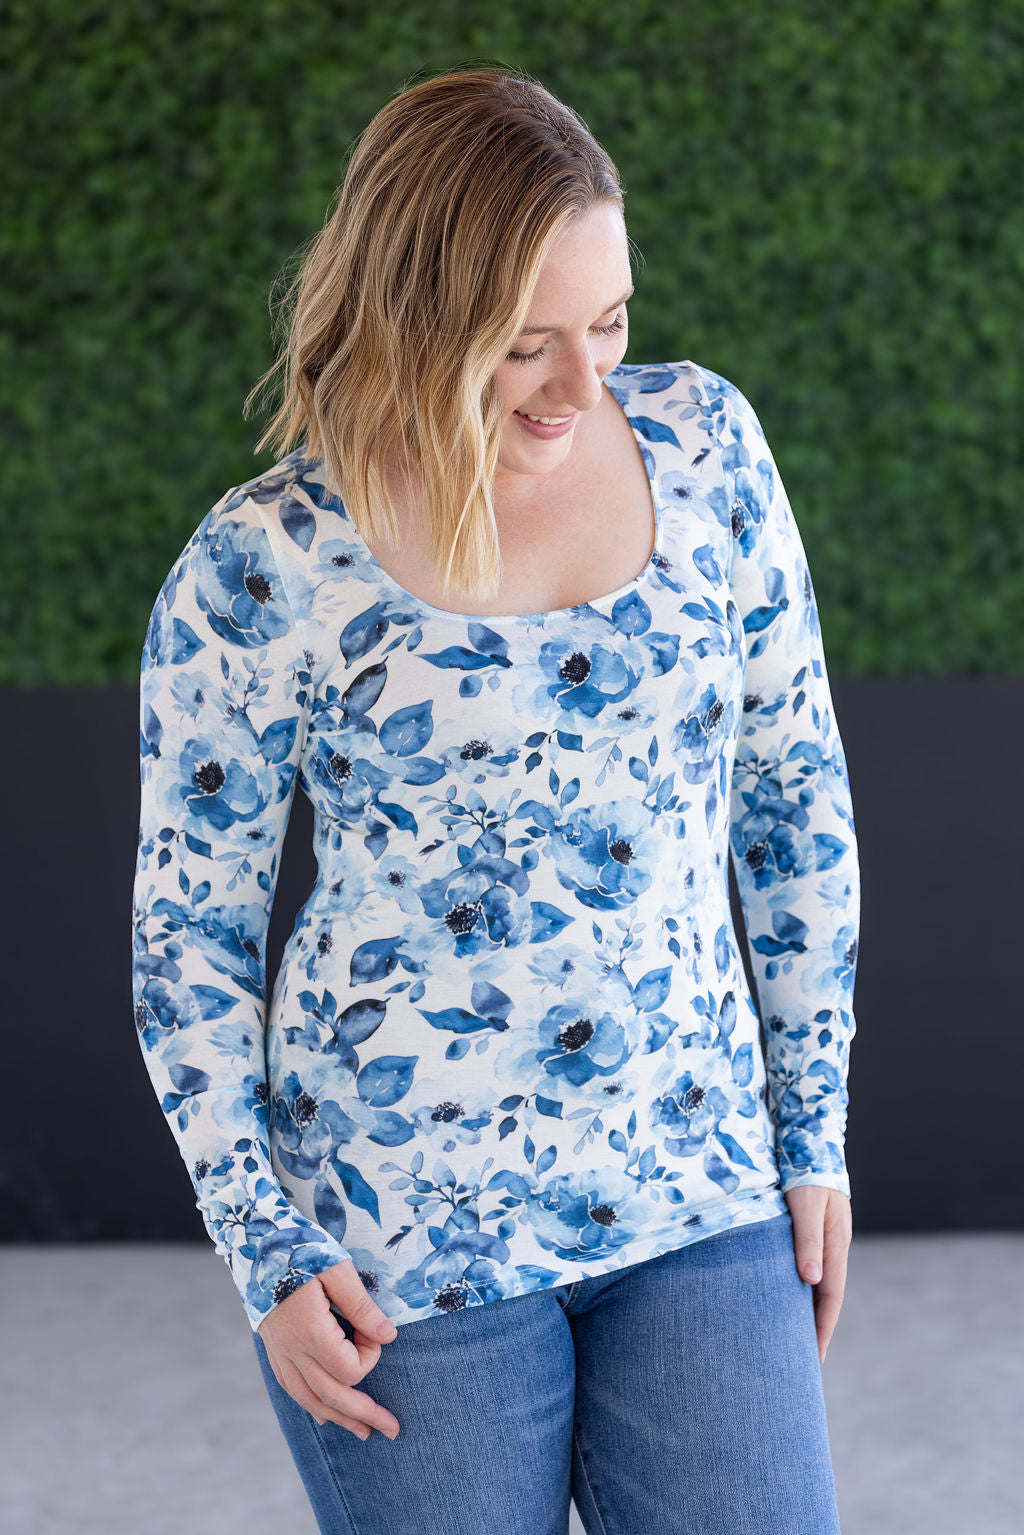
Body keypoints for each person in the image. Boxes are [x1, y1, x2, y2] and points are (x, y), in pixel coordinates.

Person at [131, 64, 859, 1535]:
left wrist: (814, 1131)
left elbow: (794, 797)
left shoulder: (709, 447)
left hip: (695, 1183)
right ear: (419, 312)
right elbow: (187, 938)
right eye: (527, 344)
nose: (582, 386)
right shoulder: (265, 561)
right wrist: (263, 1246)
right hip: (396, 1244)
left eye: (612, 323)